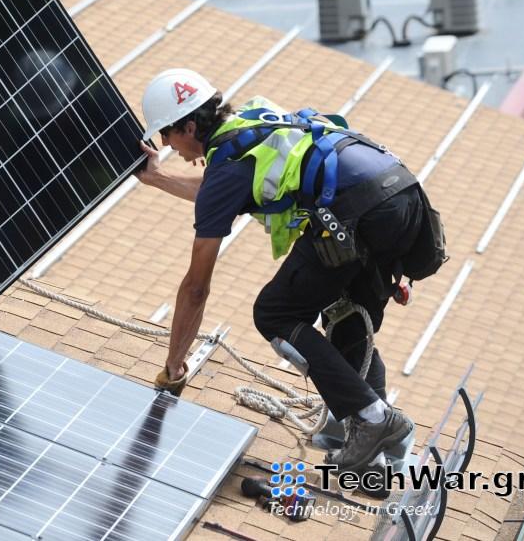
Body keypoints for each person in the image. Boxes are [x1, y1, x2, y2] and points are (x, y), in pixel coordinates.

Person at [134, 68, 445, 474]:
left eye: (166, 136)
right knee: (345, 313)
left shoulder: (228, 169)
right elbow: (216, 192)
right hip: (401, 198)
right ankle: (380, 461)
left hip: (357, 213)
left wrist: (175, 367)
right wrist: (156, 177)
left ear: (189, 126)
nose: (165, 145)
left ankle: (375, 420)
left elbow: (196, 287)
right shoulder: (252, 121)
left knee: (276, 312)